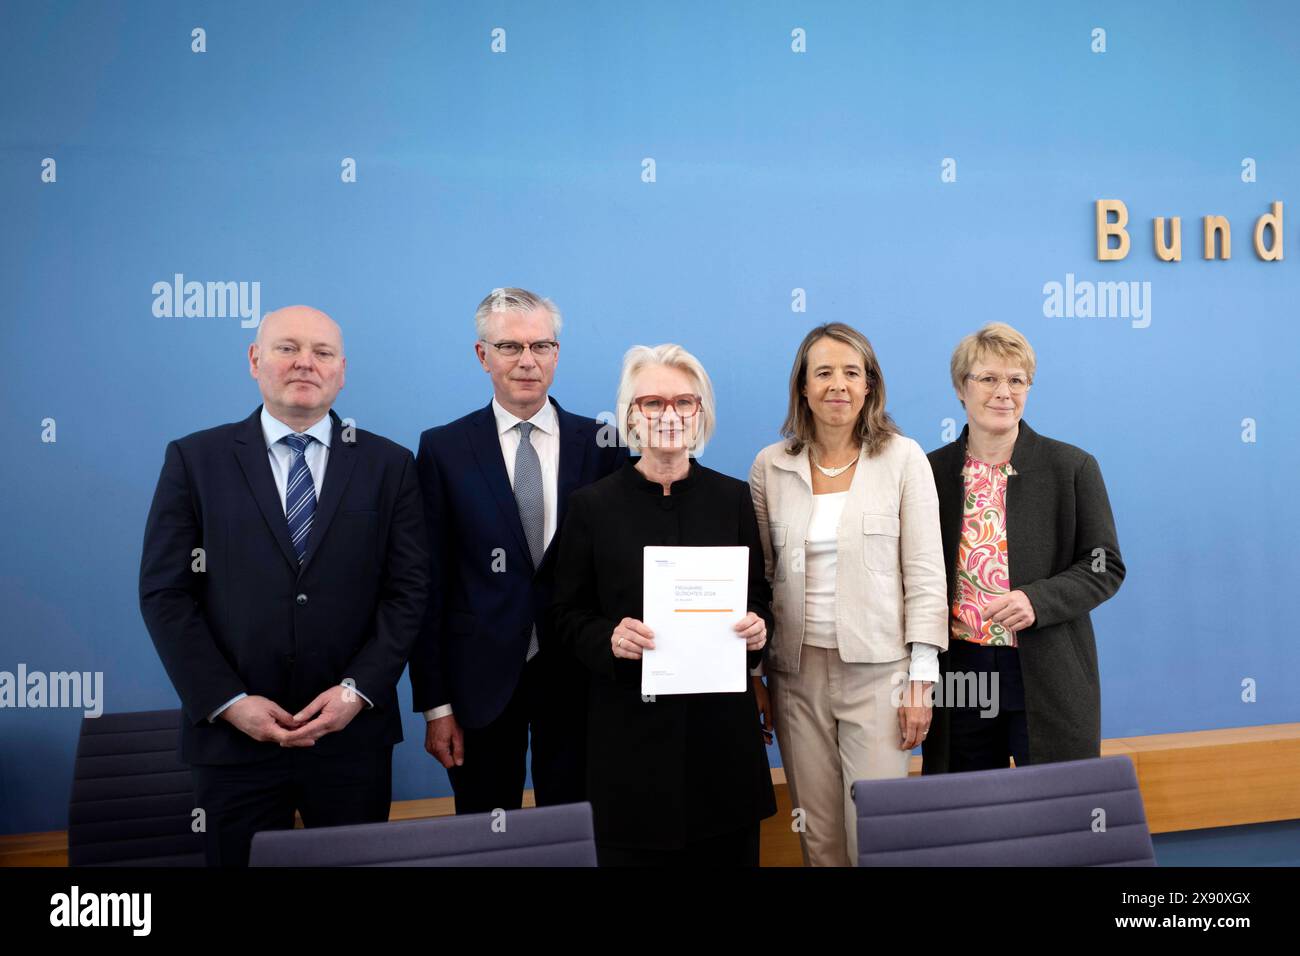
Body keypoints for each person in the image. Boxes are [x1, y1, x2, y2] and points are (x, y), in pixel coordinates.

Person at [139, 305, 428, 867]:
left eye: (322, 353)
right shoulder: (195, 460)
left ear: (341, 370)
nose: (305, 363)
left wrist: (357, 691)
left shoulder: (389, 464)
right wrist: (228, 702)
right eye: (287, 348)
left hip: (351, 738)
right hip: (234, 740)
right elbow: (165, 593)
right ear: (255, 360)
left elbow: (409, 591)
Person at [552, 344, 777, 866]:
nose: (669, 415)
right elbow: (565, 613)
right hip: (629, 743)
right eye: (652, 402)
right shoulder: (592, 506)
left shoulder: (733, 498)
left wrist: (758, 628)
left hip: (721, 742)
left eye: (684, 402)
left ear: (701, 414)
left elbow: (759, 597)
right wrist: (607, 637)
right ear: (631, 415)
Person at [408, 288, 626, 813]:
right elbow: (429, 582)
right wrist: (436, 705)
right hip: (478, 686)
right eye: (510, 347)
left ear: (556, 353)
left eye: (541, 346)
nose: (527, 361)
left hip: (577, 680)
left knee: (577, 829)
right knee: (486, 834)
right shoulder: (443, 449)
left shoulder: (603, 444)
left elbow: (617, 573)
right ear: (483, 356)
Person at [750, 323, 947, 866]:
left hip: (880, 674)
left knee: (877, 837)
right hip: (794, 675)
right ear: (804, 388)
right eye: (824, 373)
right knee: (820, 839)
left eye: (851, 373)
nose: (838, 384)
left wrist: (920, 681)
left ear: (869, 386)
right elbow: (759, 579)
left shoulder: (904, 459)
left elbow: (927, 573)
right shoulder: (771, 465)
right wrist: (754, 675)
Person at [922, 322, 1125, 774]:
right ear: (961, 388)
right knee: (967, 813)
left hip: (1047, 669)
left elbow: (1104, 564)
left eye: (1017, 380)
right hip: (961, 671)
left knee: (1059, 811)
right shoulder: (928, 472)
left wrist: (1038, 599)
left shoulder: (1071, 467)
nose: (1004, 392)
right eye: (989, 378)